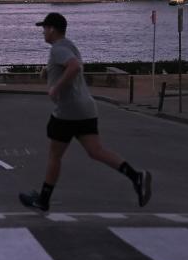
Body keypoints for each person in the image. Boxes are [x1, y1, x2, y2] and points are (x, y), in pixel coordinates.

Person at [19, 12, 152, 212]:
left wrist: (56, 88)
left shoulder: (58, 49)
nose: (43, 32)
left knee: (55, 155)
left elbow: (74, 66)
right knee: (96, 151)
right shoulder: (69, 45)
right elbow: (72, 65)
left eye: (44, 28)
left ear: (53, 29)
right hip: (86, 108)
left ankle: (44, 199)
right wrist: (49, 72)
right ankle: (136, 176)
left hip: (67, 111)